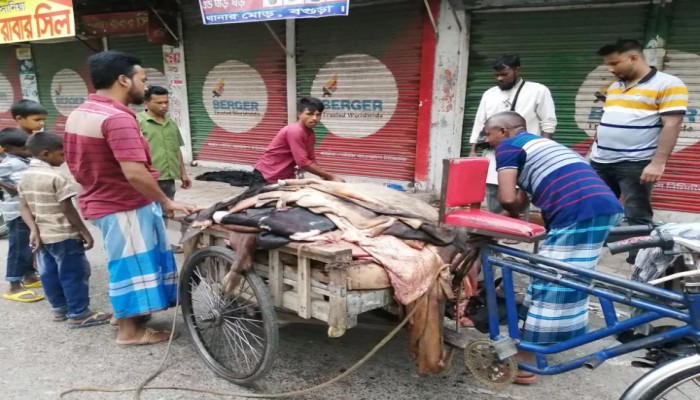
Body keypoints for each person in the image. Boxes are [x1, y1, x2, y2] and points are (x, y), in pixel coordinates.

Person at [63, 50, 196, 346]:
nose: (145, 87)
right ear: (123, 80)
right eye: (142, 79)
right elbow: (135, 173)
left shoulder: (82, 111)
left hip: (99, 199)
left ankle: (124, 313)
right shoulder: (117, 118)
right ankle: (128, 331)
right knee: (130, 265)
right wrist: (166, 201)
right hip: (121, 204)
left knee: (127, 261)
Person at [486, 111, 623, 384]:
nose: (487, 140)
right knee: (571, 277)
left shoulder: (508, 147)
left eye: (488, 134)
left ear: (502, 131)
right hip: (602, 206)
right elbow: (520, 200)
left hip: (578, 210)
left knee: (552, 281)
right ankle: (560, 339)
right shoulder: (541, 144)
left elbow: (508, 197)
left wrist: (503, 213)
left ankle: (527, 363)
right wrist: (504, 215)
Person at [587, 39, 687, 263]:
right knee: (596, 207)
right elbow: (606, 122)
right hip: (600, 160)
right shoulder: (615, 87)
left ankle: (639, 262)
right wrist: (590, 153)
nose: (610, 69)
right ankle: (590, 252)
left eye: (614, 63)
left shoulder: (668, 84)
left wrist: (658, 163)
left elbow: (672, 124)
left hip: (634, 163)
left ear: (634, 58)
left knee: (637, 215)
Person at [18, 132, 111, 327]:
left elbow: (24, 206)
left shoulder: (25, 176)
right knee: (74, 273)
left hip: (43, 235)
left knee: (49, 273)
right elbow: (66, 208)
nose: (65, 158)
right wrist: (84, 231)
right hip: (64, 235)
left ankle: (60, 309)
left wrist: (33, 229)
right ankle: (79, 314)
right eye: (61, 154)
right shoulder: (57, 177)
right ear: (45, 154)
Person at [468, 54, 557, 214]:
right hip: (494, 153)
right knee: (493, 190)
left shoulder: (538, 90)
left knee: (520, 192)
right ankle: (496, 228)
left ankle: (518, 230)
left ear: (517, 70)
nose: (500, 78)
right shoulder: (489, 94)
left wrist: (543, 151)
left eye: (504, 74)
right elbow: (480, 122)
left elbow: (548, 122)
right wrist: (473, 150)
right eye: (496, 75)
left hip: (525, 153)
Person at [138, 85, 191, 253]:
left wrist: (183, 173)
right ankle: (146, 244)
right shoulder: (137, 122)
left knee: (167, 211)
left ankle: (167, 243)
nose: (164, 106)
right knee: (147, 212)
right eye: (159, 102)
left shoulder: (170, 123)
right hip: (146, 178)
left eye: (166, 102)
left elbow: (177, 150)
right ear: (146, 103)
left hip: (168, 176)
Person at [253, 97, 344, 185]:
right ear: (299, 114)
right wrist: (331, 176)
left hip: (285, 177)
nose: (314, 118)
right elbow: (303, 162)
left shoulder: (310, 133)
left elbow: (310, 159)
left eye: (318, 114)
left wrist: (323, 175)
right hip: (267, 175)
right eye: (310, 114)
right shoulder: (295, 131)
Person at [0, 128, 44, 302]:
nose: (29, 151)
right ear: (8, 148)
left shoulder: (24, 160)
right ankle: (14, 285)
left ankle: (29, 276)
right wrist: (11, 189)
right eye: (24, 149)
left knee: (29, 245)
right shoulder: (9, 163)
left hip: (28, 210)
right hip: (17, 212)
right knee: (19, 249)